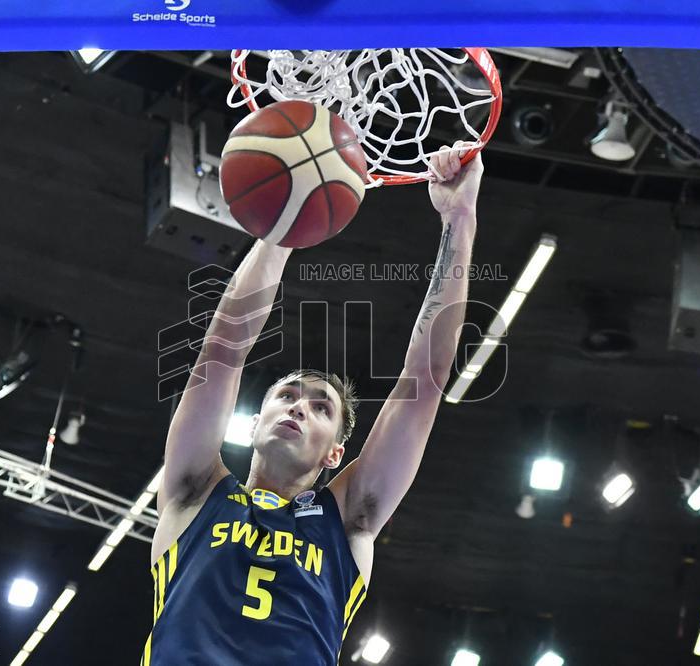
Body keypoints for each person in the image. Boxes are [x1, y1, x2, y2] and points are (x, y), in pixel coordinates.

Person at [141, 144, 483, 665]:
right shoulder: (192, 492)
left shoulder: (346, 521)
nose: (298, 408)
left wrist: (459, 217)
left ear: (335, 456)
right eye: (286, 396)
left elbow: (426, 381)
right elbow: (223, 348)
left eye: (321, 408)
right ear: (254, 424)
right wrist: (284, 224)